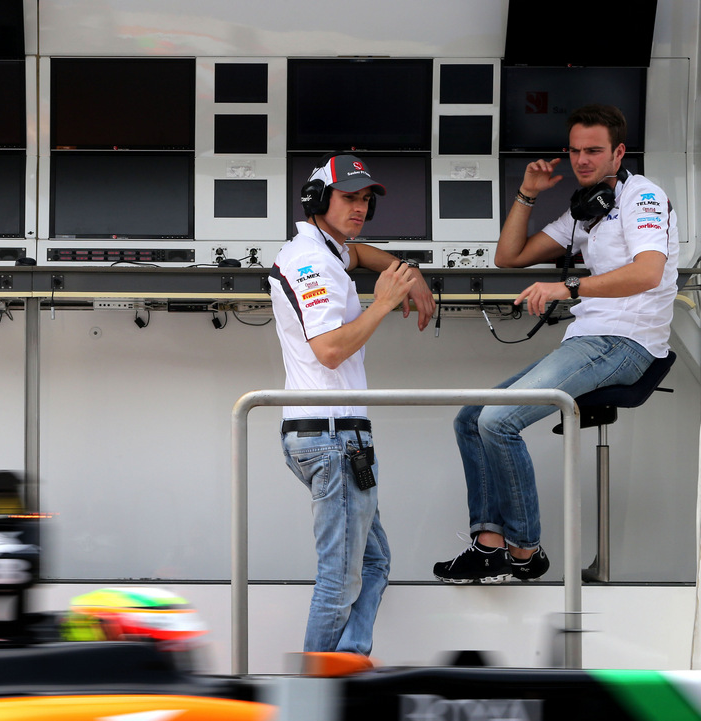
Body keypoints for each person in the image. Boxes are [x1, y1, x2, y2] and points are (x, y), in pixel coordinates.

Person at [434, 104, 678, 584]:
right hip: (588, 339)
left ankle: (523, 552)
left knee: (498, 422)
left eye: (594, 151)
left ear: (619, 153)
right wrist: (527, 193)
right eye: (575, 151)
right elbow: (510, 256)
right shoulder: (585, 209)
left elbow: (648, 272)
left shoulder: (643, 196)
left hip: (625, 342)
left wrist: (567, 289)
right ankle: (489, 547)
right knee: (470, 419)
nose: (582, 160)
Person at [270, 154, 434, 655]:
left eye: (365, 200)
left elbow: (358, 255)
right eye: (348, 198)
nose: (359, 208)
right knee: (339, 581)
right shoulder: (312, 260)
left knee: (375, 563)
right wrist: (384, 302)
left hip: (334, 435)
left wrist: (407, 271)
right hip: (332, 438)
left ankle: (345, 665)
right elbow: (330, 349)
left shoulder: (328, 249)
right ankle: (314, 696)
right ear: (319, 201)